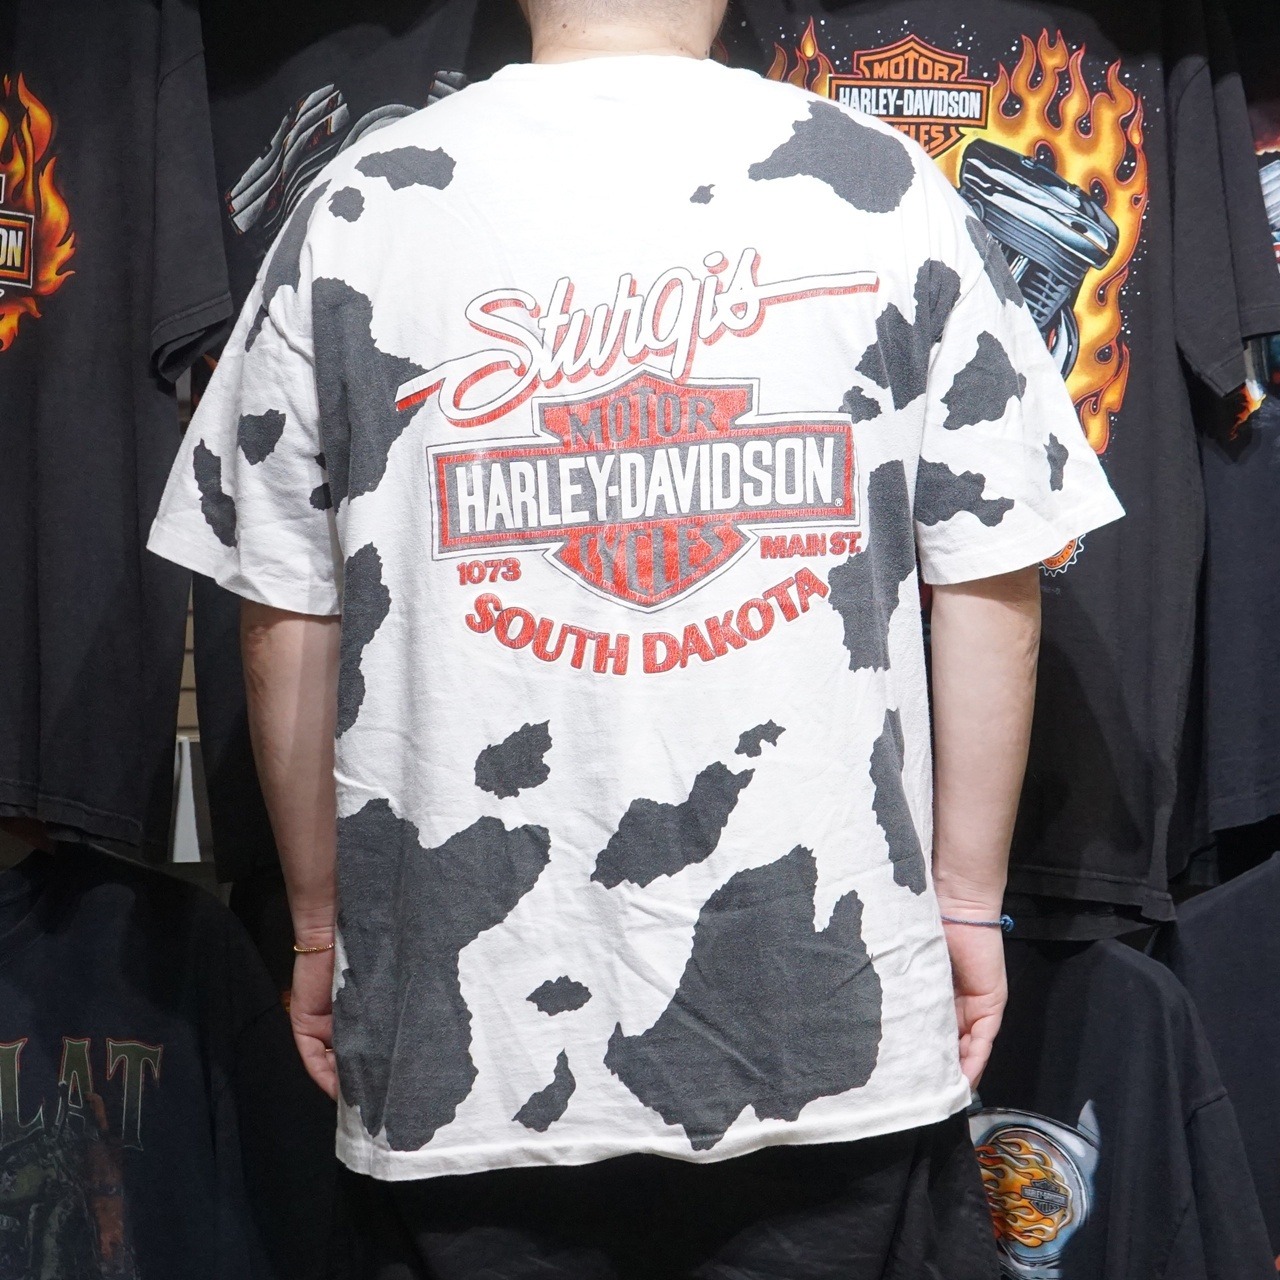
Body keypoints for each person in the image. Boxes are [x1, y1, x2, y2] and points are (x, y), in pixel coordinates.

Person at [148, 0, 1123, 1275]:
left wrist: (323, 926)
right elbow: (991, 574)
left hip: (465, 1028)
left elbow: (284, 612)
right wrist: (965, 901)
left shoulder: (361, 206)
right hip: (827, 1009)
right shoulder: (883, 190)